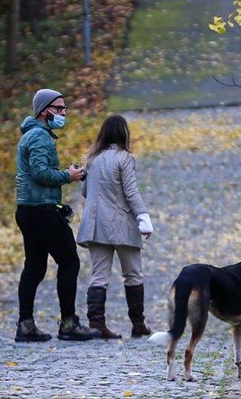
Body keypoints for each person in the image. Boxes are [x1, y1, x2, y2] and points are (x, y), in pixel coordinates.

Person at [13, 88, 100, 343]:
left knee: (35, 266)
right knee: (69, 261)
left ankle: (25, 325)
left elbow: (36, 171)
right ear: (44, 111)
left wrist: (64, 172)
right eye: (59, 108)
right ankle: (69, 323)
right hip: (43, 210)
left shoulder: (30, 135)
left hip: (27, 209)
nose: (64, 113)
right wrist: (68, 176)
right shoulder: (40, 137)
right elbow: (40, 172)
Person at [76, 114, 153, 339]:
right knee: (133, 274)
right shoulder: (125, 158)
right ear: (124, 133)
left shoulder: (92, 160)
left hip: (95, 224)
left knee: (99, 275)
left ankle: (97, 323)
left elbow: (85, 192)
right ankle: (138, 324)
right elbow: (130, 191)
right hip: (121, 224)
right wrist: (143, 217)